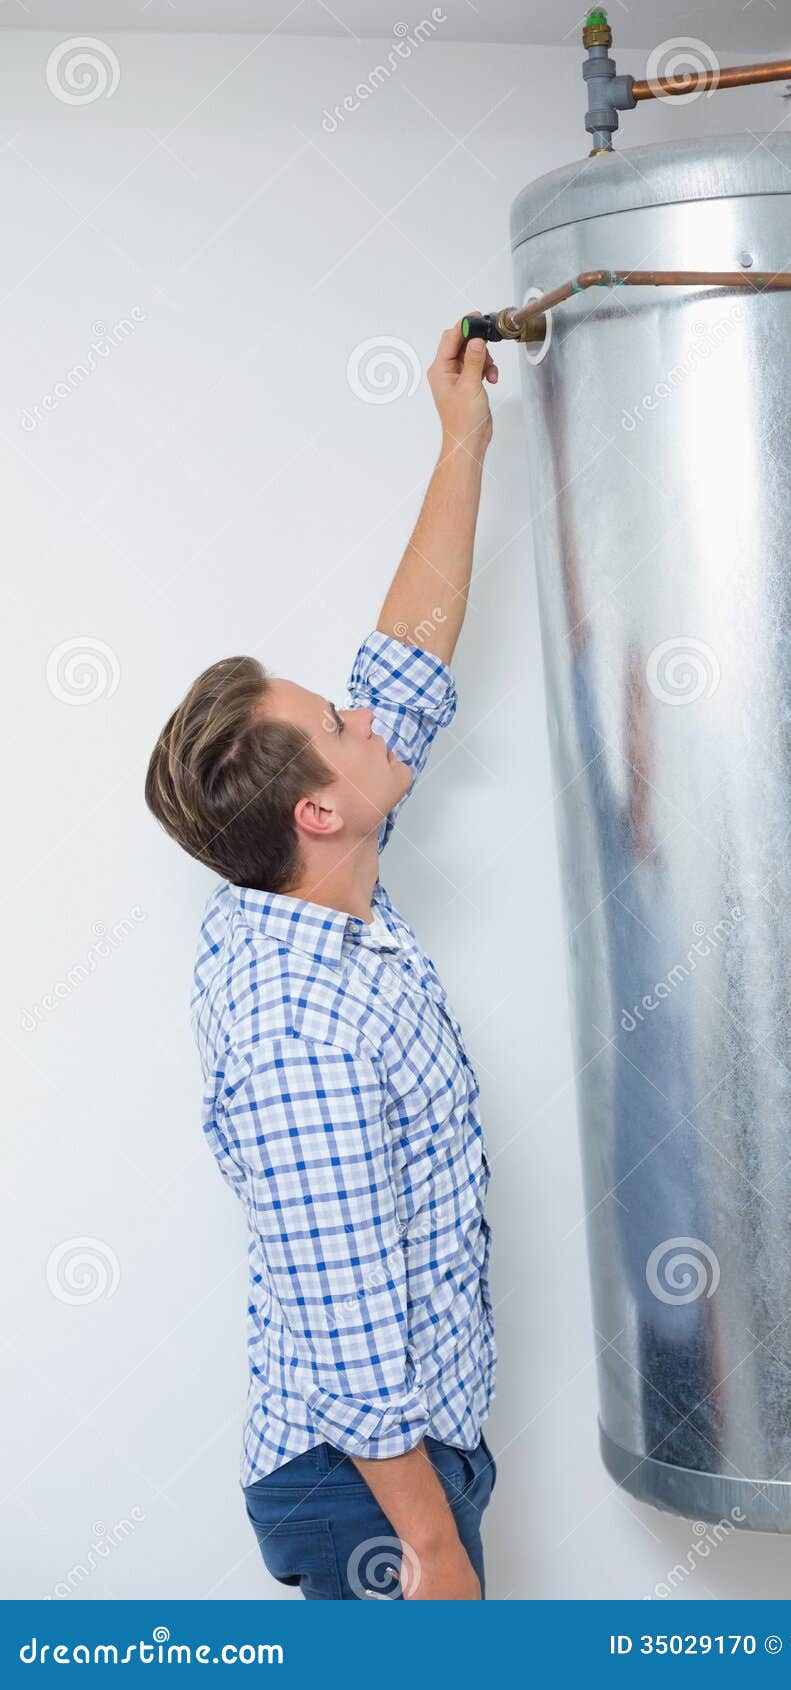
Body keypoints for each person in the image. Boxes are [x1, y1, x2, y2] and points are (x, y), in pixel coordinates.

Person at [144, 325, 499, 1600]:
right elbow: (346, 1328)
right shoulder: (298, 1032)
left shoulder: (305, 883)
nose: (365, 713)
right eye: (340, 724)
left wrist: (459, 440)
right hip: (368, 1492)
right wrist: (430, 1544)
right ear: (317, 812)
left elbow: (405, 662)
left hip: (403, 1461)